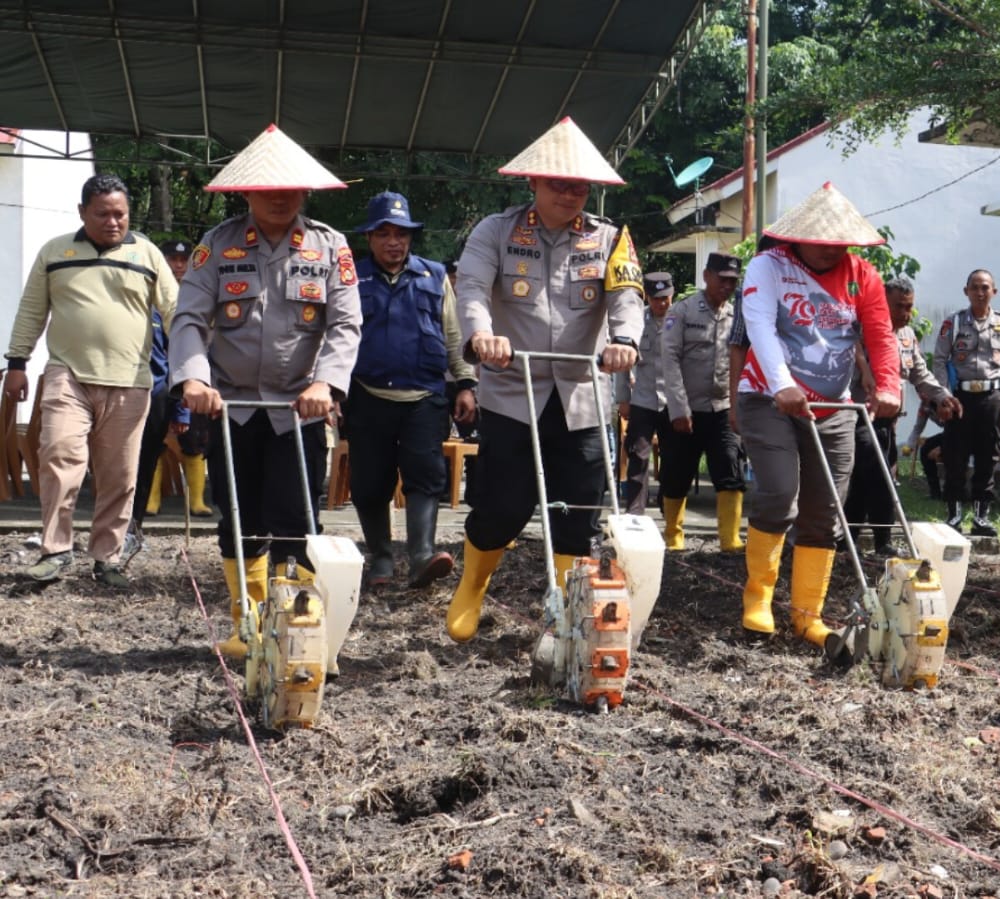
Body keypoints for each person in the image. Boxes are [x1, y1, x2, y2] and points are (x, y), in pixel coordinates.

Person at [446, 117, 644, 644]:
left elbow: (627, 298)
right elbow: (470, 288)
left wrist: (625, 340)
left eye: (579, 186)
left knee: (579, 509)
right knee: (502, 506)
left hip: (583, 394)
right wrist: (483, 335)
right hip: (513, 393)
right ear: (532, 183)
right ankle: (472, 584)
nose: (569, 193)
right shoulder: (498, 231)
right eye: (558, 183)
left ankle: (565, 612)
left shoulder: (611, 238)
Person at [169, 124, 361, 657]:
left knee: (297, 518)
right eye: (267, 188)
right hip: (230, 406)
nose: (278, 197)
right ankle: (248, 622)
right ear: (246, 191)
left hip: (298, 407)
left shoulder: (329, 247)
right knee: (239, 514)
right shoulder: (218, 245)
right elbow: (188, 317)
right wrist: (193, 378)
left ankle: (299, 623)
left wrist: (327, 383)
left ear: (305, 193)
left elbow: (345, 326)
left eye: (290, 188)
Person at [737, 182, 900, 663]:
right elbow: (761, 326)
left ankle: (808, 613)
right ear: (798, 238)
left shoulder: (863, 275)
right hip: (768, 399)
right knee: (780, 495)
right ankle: (759, 599)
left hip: (833, 408)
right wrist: (782, 384)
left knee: (826, 512)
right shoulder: (768, 267)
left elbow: (880, 335)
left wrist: (888, 385)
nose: (832, 251)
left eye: (841, 243)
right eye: (822, 242)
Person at [3, 174, 179, 587]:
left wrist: (193, 369)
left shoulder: (148, 255)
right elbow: (31, 309)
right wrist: (16, 363)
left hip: (131, 380)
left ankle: (108, 558)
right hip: (69, 374)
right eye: (102, 213)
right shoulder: (55, 251)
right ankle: (55, 550)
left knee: (119, 473)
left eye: (120, 213)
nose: (113, 221)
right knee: (59, 454)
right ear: (82, 212)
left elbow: (175, 312)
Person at [346, 191, 478, 589]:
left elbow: (454, 334)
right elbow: (335, 334)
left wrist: (466, 383)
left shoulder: (434, 276)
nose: (393, 242)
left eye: (401, 233)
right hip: (366, 395)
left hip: (424, 397)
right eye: (383, 233)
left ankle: (421, 554)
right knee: (369, 482)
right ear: (369, 237)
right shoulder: (352, 277)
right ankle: (381, 559)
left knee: (426, 476)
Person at [844, 276, 958, 553]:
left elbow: (920, 372)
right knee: (871, 476)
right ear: (883, 303)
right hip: (857, 416)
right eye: (899, 307)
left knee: (879, 476)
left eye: (909, 307)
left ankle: (875, 542)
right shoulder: (861, 331)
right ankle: (853, 541)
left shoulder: (906, 336)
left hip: (887, 421)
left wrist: (942, 395)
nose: (906, 314)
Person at [660, 252, 744, 551]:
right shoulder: (682, 312)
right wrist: (679, 408)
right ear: (707, 276)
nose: (727, 286)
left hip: (722, 408)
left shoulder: (737, 315)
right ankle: (673, 536)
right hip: (687, 410)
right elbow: (669, 359)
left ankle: (730, 541)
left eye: (732, 281)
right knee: (677, 473)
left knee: (729, 469)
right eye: (722, 279)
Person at [933, 269, 1000, 537]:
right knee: (954, 455)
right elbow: (938, 360)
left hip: (992, 398)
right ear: (966, 291)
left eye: (985, 287)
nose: (980, 292)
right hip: (959, 398)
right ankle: (954, 515)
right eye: (975, 287)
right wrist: (942, 396)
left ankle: (982, 517)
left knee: (989, 455)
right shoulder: (955, 323)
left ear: (994, 291)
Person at [129, 240, 201, 560]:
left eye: (183, 260)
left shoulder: (182, 305)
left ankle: (136, 523)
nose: (178, 265)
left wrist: (181, 412)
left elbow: (179, 359)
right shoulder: (134, 303)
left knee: (150, 455)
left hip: (161, 391)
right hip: (123, 390)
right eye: (171, 259)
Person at [617, 273, 674, 516]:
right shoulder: (635, 322)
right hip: (643, 399)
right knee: (637, 456)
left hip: (674, 402)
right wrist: (623, 398)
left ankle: (669, 509)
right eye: (655, 299)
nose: (661, 304)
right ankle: (635, 513)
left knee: (673, 458)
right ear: (647, 297)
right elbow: (623, 363)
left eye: (665, 298)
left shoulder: (681, 320)